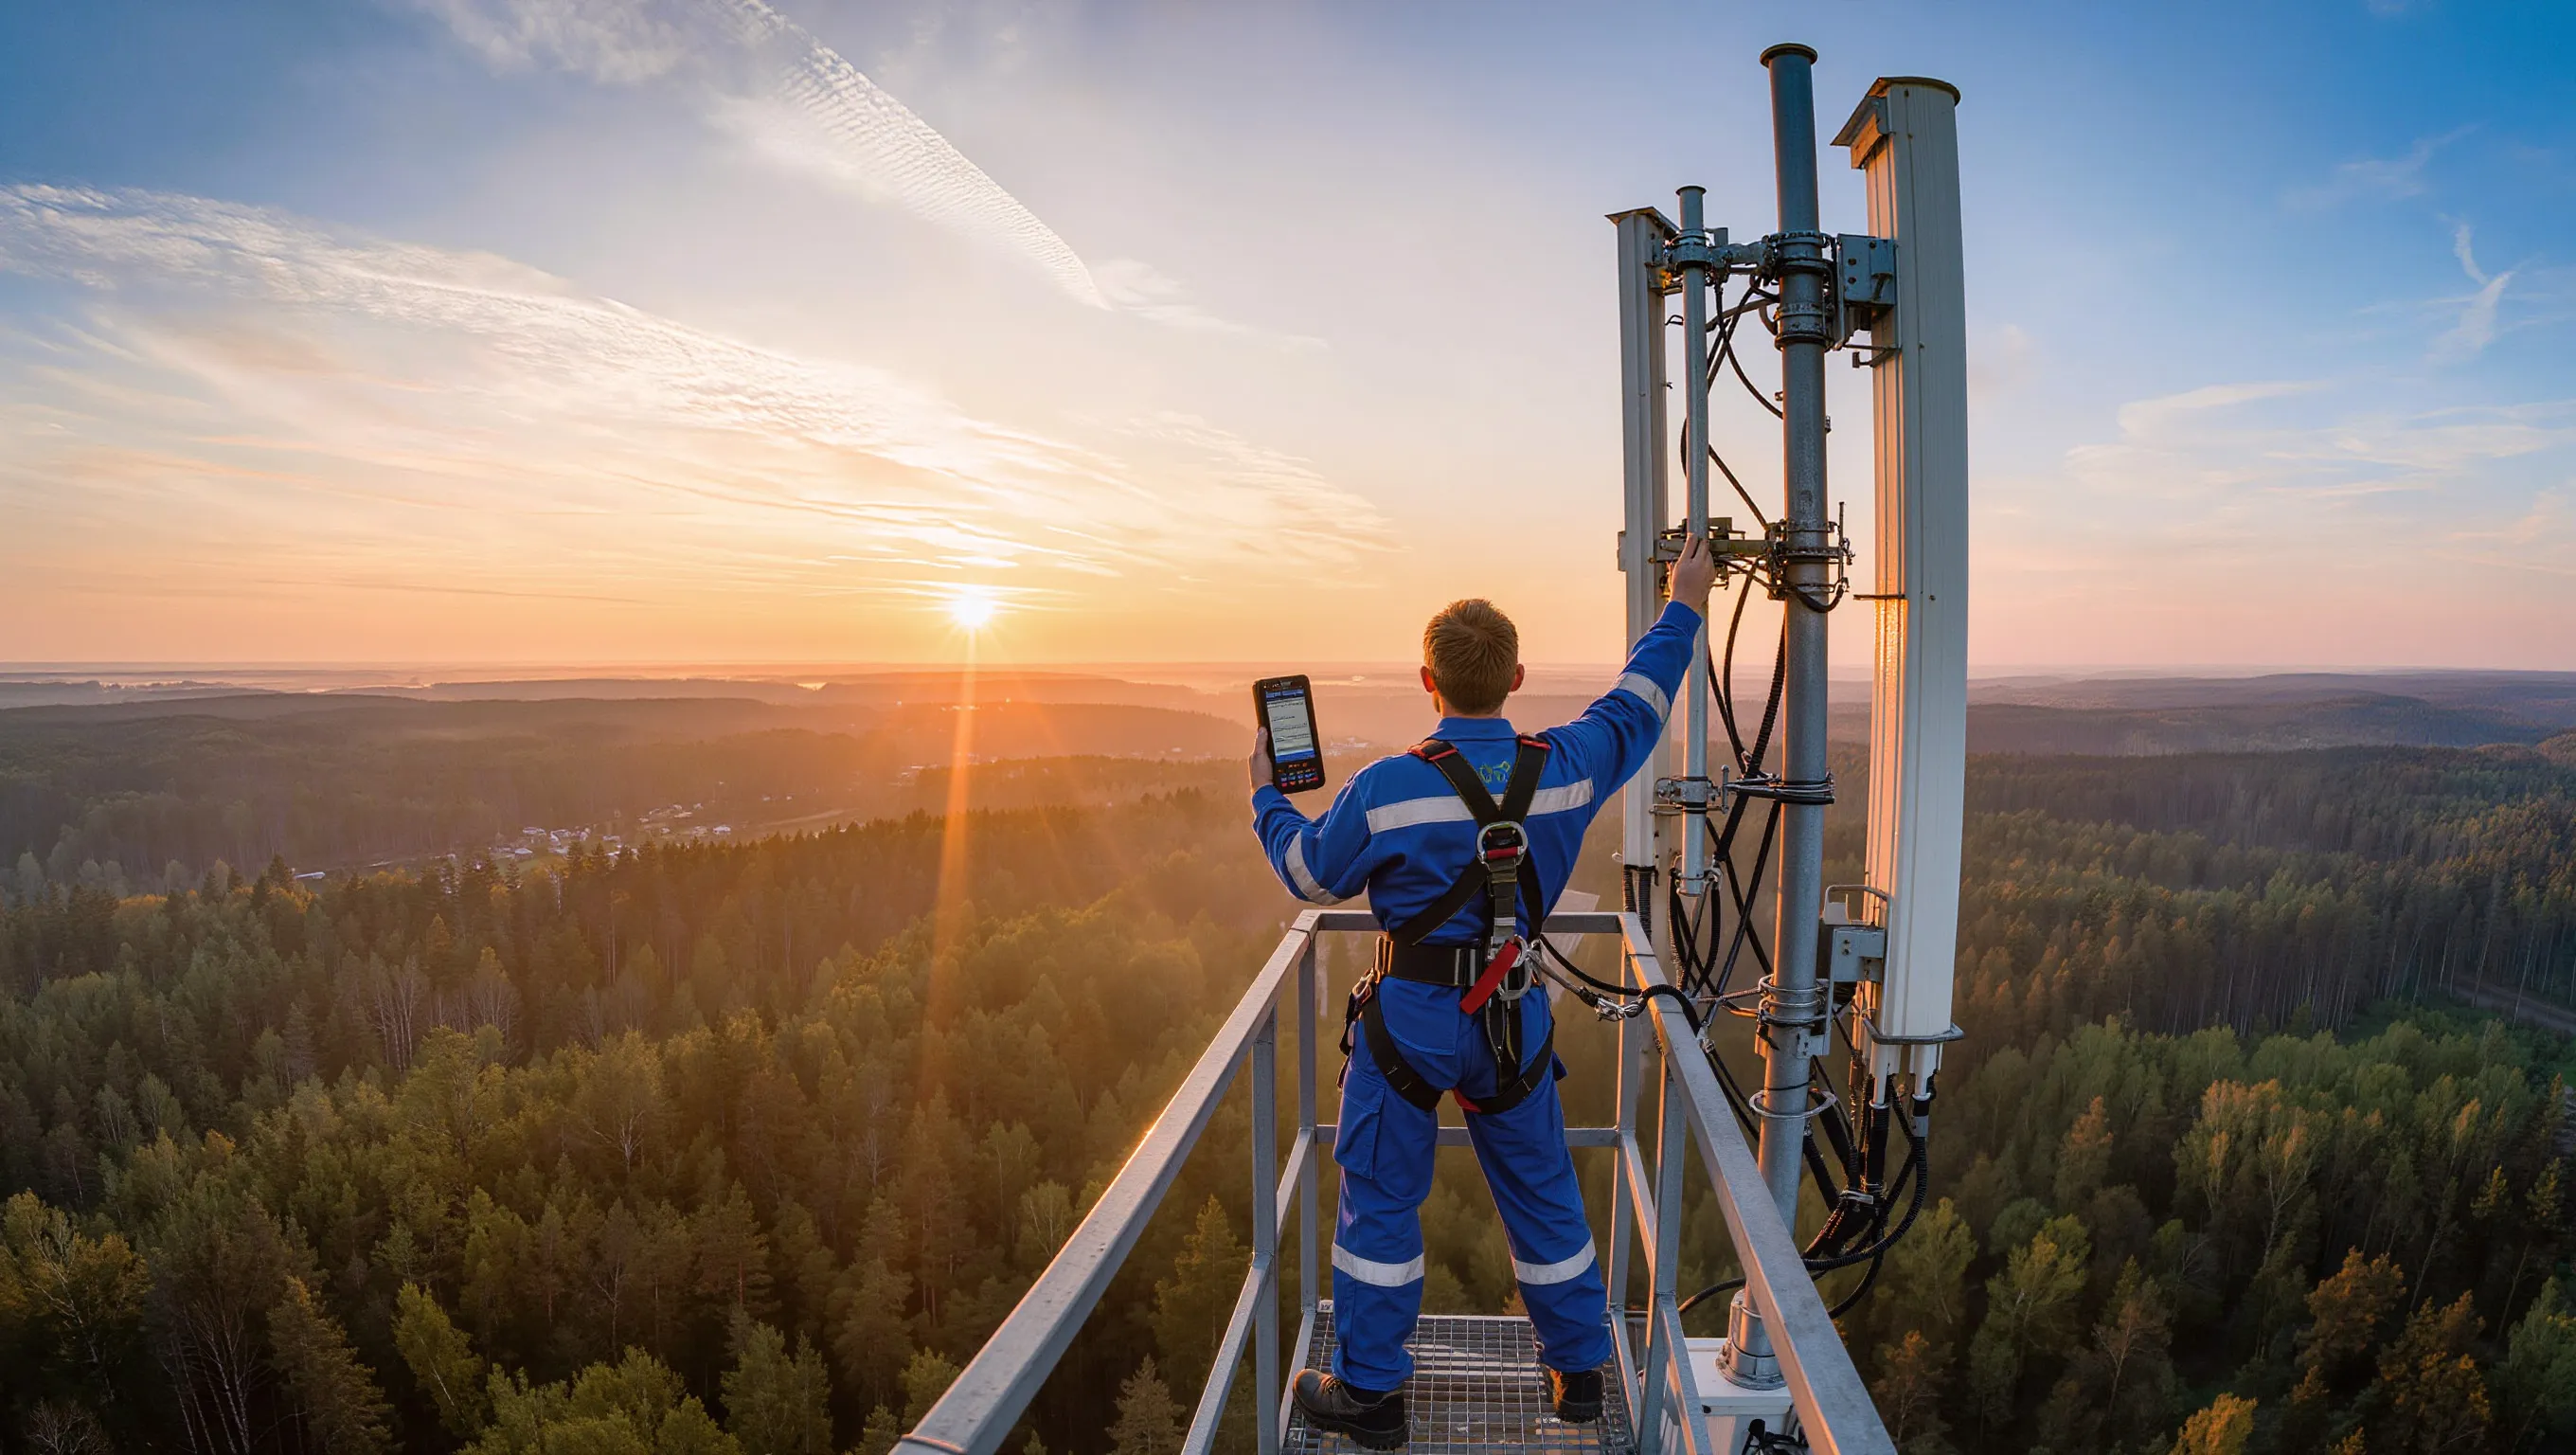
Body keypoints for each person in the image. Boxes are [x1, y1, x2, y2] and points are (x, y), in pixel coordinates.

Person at [1248, 535, 1717, 1447]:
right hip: (1512, 1017)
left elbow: (1308, 874)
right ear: (1517, 676)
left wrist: (1265, 796)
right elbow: (1641, 700)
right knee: (1542, 1190)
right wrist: (1684, 601)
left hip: (1411, 1026)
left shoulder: (1389, 789)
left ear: (1428, 680)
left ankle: (1374, 1393)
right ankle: (1580, 1374)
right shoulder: (1569, 765)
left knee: (1380, 1195)